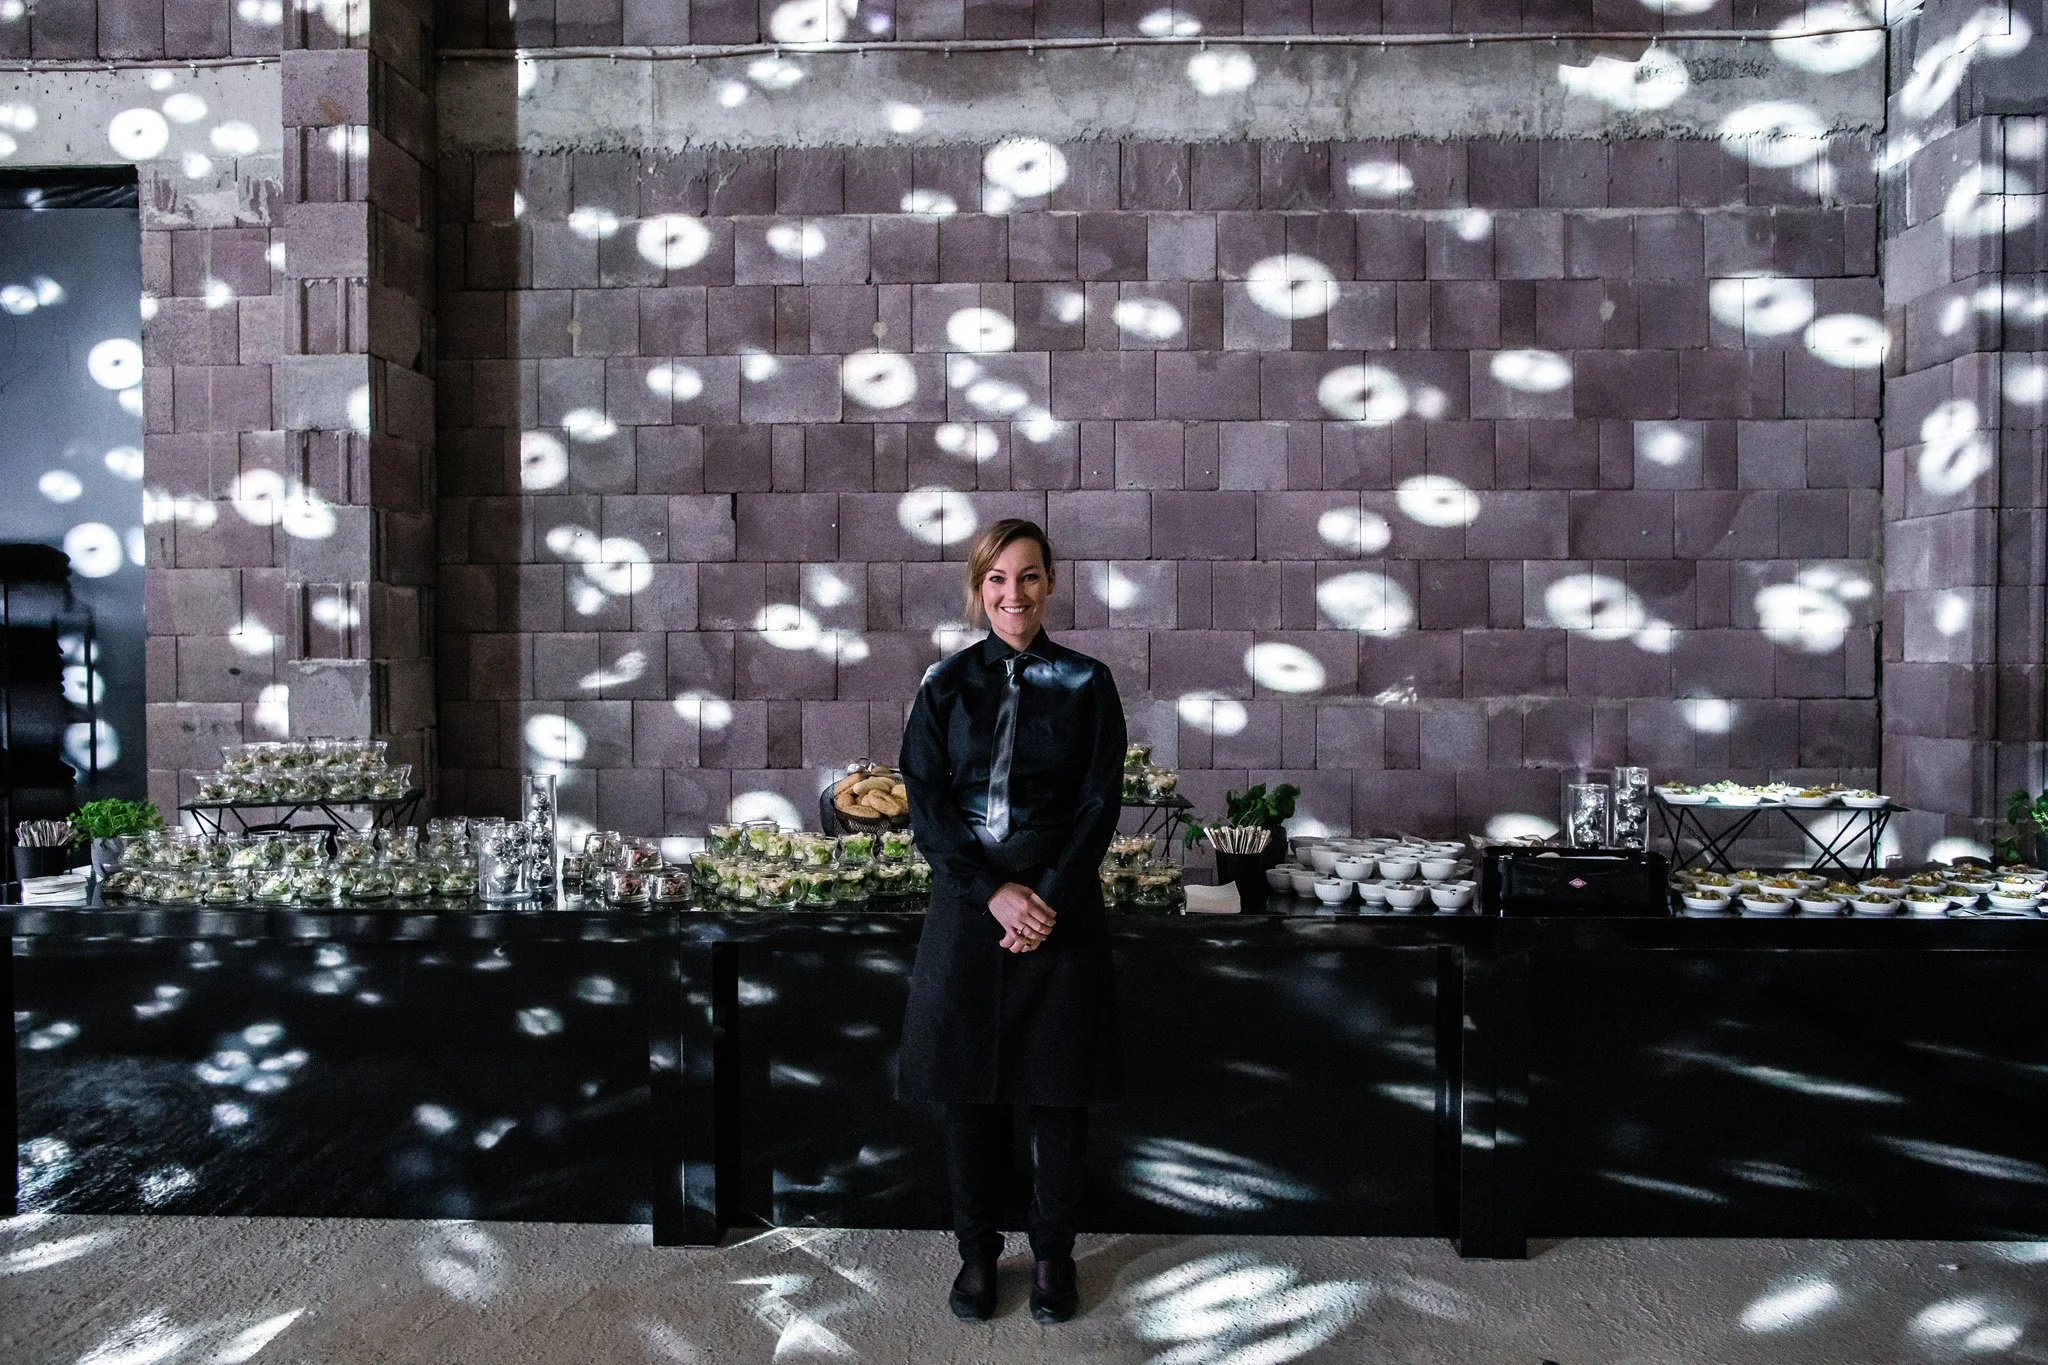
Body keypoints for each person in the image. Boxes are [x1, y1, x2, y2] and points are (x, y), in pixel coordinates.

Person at [895, 517, 1128, 1324]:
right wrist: (992, 891)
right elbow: (927, 807)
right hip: (969, 909)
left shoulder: (1090, 682)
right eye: (997, 578)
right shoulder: (943, 685)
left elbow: (1100, 805)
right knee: (971, 1091)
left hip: (1060, 910)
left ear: (1051, 583)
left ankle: (1055, 1255)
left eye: (1028, 576)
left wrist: (1048, 897)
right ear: (977, 587)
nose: (1013, 593)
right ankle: (977, 1252)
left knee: (1058, 1092)